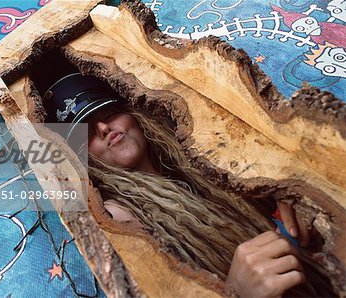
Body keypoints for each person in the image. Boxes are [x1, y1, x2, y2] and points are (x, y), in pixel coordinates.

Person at [46, 73, 322, 297]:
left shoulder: (204, 160)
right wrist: (235, 291)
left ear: (133, 114)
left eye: (107, 112)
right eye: (86, 131)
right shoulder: (116, 217)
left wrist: (290, 202)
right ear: (84, 157)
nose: (104, 128)